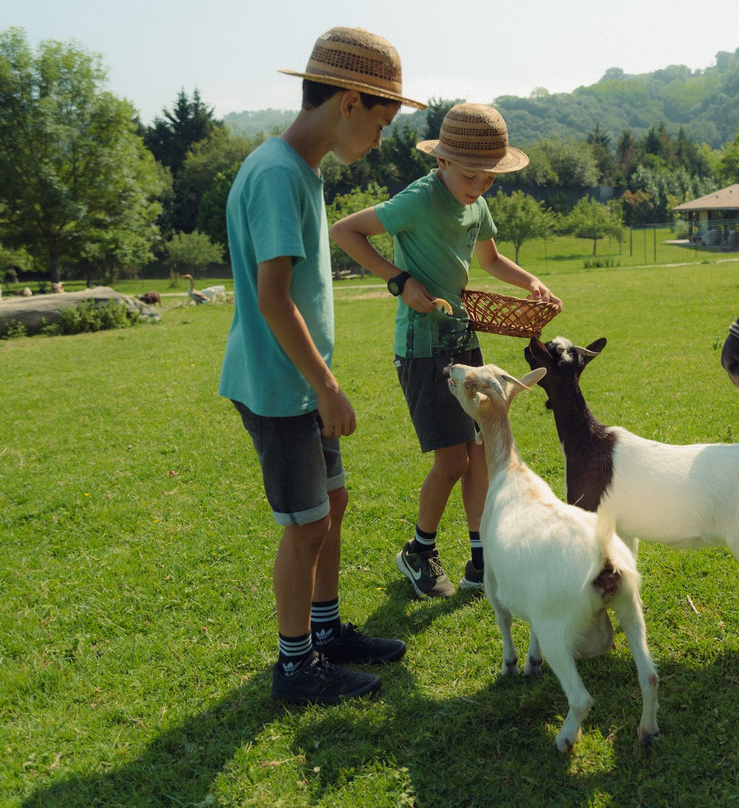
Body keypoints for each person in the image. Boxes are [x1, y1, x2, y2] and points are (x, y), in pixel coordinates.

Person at [220, 27, 425, 706]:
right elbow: (273, 298)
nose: (381, 137)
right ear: (348, 101)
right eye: (382, 120)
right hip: (281, 387)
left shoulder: (299, 170)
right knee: (306, 522)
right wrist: (327, 386)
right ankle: (294, 667)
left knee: (330, 504)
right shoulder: (278, 174)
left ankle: (326, 631)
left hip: (300, 384)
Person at [330, 102, 562, 599]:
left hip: (463, 338)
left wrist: (531, 281)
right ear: (442, 162)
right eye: (471, 175)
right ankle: (419, 550)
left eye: (489, 179)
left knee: (479, 451)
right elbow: (344, 232)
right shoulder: (418, 199)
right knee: (452, 460)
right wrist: (400, 280)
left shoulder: (476, 204)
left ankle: (481, 562)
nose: (479, 187)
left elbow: (491, 259)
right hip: (422, 348)